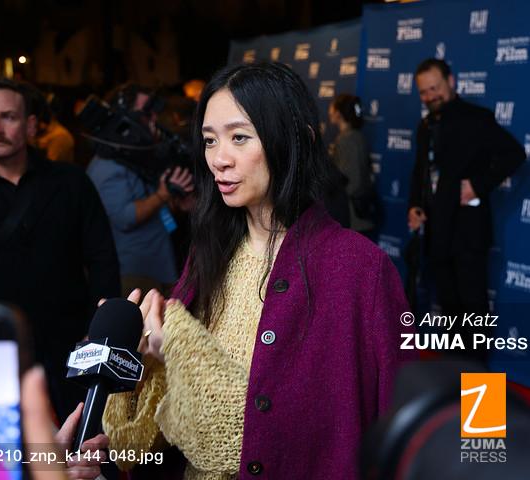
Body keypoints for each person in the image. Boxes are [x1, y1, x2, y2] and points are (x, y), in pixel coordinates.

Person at [102, 62, 415, 480]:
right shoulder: (208, 253)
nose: (219, 159)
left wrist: (176, 343)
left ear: (294, 140)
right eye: (210, 140)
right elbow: (172, 424)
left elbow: (400, 420)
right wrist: (140, 356)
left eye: (239, 137)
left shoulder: (358, 268)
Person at [0, 78, 121, 421]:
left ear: (31, 124)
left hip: (71, 343)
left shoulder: (71, 183)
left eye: (8, 116)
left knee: (82, 437)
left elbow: (102, 260)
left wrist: (99, 333)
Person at [407, 58, 525, 355]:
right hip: (437, 233)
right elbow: (421, 171)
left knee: (475, 316)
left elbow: (514, 153)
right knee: (450, 317)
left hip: (468, 234)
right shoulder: (425, 126)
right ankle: (454, 382)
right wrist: (415, 205)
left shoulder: (477, 118)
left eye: (435, 88)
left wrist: (477, 185)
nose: (430, 96)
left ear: (451, 82)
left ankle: (479, 388)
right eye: (423, 92)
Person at [87, 85, 194, 298]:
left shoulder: (133, 159)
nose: (153, 118)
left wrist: (178, 203)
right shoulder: (106, 166)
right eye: (145, 112)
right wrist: (162, 195)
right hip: (135, 273)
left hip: (160, 265)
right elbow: (125, 217)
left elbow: (159, 213)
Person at [328, 94, 375, 235]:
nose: (329, 111)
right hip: (357, 217)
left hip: (352, 219)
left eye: (332, 107)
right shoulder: (355, 136)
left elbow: (353, 181)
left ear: (338, 113)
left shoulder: (347, 139)